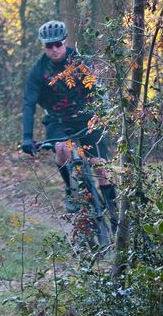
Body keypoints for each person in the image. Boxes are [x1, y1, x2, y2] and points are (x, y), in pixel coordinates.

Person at [19, 20, 108, 212]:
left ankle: (114, 211)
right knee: (61, 148)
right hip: (58, 120)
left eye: (58, 44)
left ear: (65, 41)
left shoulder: (80, 62)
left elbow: (99, 90)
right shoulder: (39, 70)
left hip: (87, 117)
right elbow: (28, 103)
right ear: (43, 46)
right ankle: (71, 189)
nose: (54, 49)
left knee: (100, 166)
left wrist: (104, 115)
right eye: (49, 46)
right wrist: (27, 137)